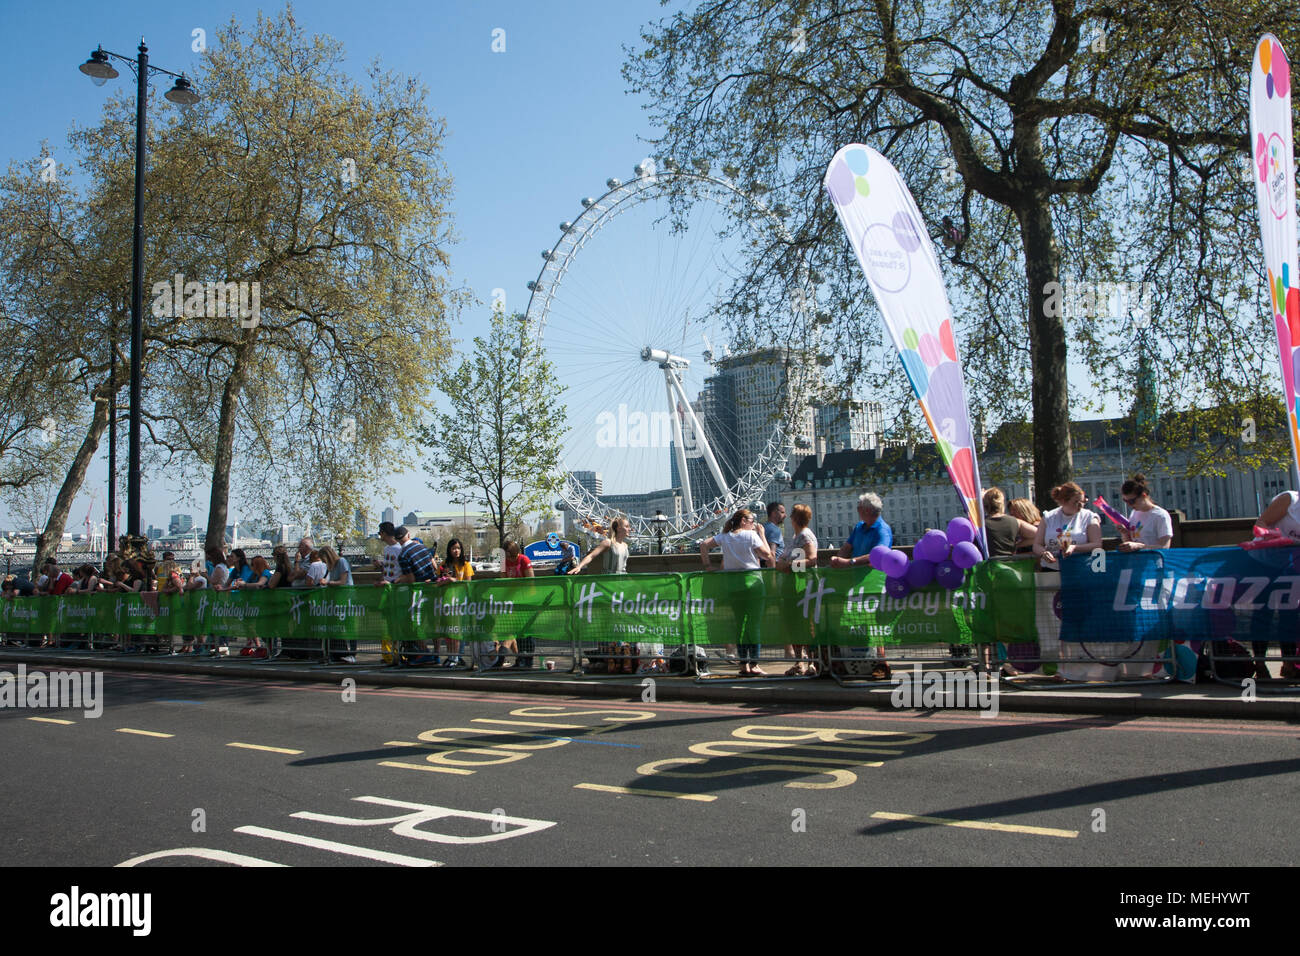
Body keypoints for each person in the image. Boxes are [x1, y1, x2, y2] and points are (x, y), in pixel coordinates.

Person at [700, 508, 772, 677]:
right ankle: (754, 664)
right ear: (743, 521)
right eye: (752, 521)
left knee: (739, 626)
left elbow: (704, 545)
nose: (754, 524)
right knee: (754, 625)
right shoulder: (751, 535)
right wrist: (761, 534)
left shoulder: (725, 537)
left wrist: (708, 566)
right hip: (753, 583)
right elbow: (767, 555)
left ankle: (743, 664)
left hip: (732, 585)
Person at [830, 492, 892, 679]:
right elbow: (847, 547)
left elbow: (878, 554)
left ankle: (882, 664)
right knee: (854, 621)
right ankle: (852, 663)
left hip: (874, 582)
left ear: (866, 510)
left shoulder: (882, 529)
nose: (856, 510)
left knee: (875, 624)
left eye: (858, 507)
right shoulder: (859, 526)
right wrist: (837, 559)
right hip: (855, 582)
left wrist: (848, 563)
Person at [570, 517, 632, 672]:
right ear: (618, 528)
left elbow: (623, 567)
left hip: (622, 586)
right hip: (608, 586)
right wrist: (579, 566)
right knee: (608, 619)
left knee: (621, 619)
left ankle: (619, 654)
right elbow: (592, 555)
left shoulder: (625, 545)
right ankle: (607, 656)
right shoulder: (608, 543)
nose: (629, 529)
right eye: (627, 526)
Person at [1252, 491, 1300, 679]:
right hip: (1264, 561)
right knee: (1263, 612)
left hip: (1290, 565)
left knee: (1289, 613)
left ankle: (1288, 663)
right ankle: (1260, 664)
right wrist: (1273, 537)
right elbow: (1260, 524)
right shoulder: (1291, 499)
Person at [777, 503, 818, 675]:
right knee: (794, 625)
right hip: (793, 587)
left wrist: (789, 566)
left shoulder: (805, 536)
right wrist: (783, 565)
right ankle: (799, 662)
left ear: (794, 518)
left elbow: (812, 559)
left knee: (806, 623)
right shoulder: (796, 538)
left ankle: (812, 662)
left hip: (803, 587)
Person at [1033, 482, 1101, 571]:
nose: (1081, 505)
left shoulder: (1089, 517)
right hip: (1052, 567)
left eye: (1083, 501)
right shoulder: (1048, 517)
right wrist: (1043, 553)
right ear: (1063, 501)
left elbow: (1097, 544)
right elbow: (1037, 545)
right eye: (1076, 502)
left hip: (1080, 567)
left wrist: (1074, 547)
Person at [492, 539, 534, 668]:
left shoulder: (523, 560)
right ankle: (519, 660)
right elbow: (503, 581)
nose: (510, 559)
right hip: (511, 601)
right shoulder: (504, 562)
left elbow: (530, 582)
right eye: (507, 556)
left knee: (525, 633)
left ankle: (527, 660)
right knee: (514, 630)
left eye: (512, 555)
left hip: (524, 600)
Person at [436, 538, 473, 668]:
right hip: (447, 601)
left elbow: (468, 583)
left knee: (457, 630)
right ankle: (451, 655)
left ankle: (457, 656)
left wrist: (454, 581)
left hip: (461, 602)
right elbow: (438, 581)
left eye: (458, 548)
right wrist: (447, 580)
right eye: (453, 548)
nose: (456, 551)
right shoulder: (444, 564)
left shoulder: (466, 564)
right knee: (448, 631)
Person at [319, 545, 356, 663]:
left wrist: (329, 582)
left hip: (346, 597)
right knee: (337, 625)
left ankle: (352, 654)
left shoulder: (342, 561)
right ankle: (338, 653)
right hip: (337, 598)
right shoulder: (331, 567)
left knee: (349, 625)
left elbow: (343, 581)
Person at [1117, 474, 1172, 552]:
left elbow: (1164, 547)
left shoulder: (1160, 515)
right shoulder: (1134, 513)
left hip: (1153, 561)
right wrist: (1124, 533)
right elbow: (1131, 542)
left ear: (1143, 496)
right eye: (1125, 501)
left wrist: (1139, 546)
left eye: (1132, 501)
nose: (1129, 505)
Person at [983, 488, 1038, 558]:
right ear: (1002, 504)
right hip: (1010, 564)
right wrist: (1016, 545)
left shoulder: (979, 524)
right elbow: (1037, 535)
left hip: (988, 565)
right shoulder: (1016, 521)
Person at [763, 502, 786, 567]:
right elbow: (772, 553)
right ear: (774, 513)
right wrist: (773, 574)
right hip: (774, 566)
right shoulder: (774, 530)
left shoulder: (764, 527)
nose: (785, 515)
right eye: (782, 512)